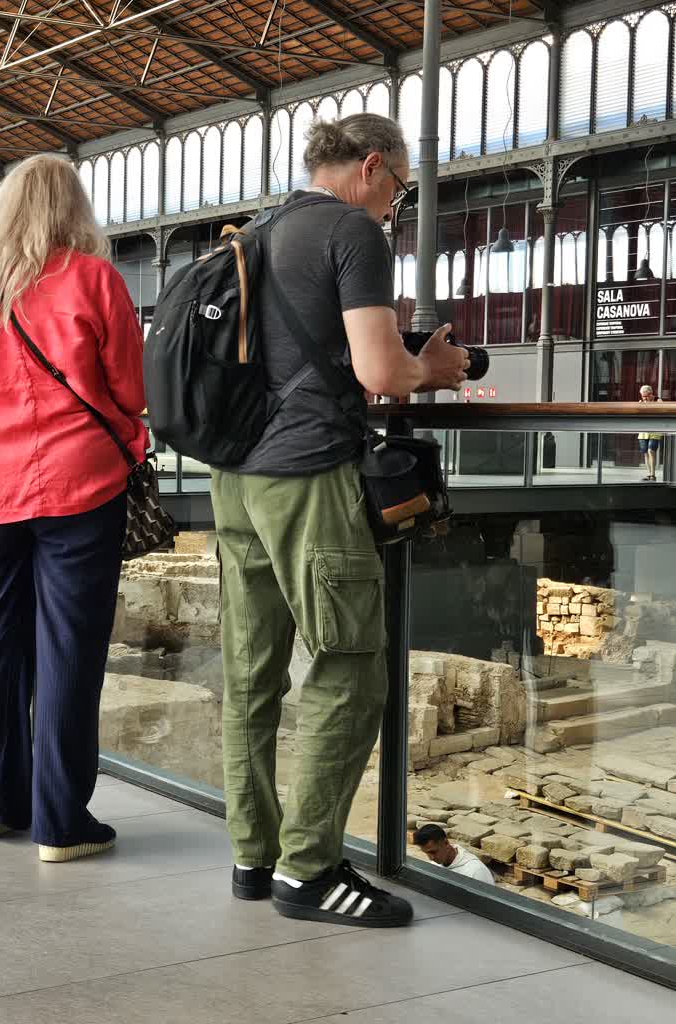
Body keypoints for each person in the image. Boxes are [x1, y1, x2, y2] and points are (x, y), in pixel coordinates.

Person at [211, 114, 469, 927]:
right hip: (305, 474)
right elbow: (380, 370)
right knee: (349, 666)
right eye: (399, 188)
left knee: (251, 671)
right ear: (370, 166)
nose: (394, 205)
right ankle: (309, 870)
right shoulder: (351, 232)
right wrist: (434, 367)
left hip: (235, 477)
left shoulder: (256, 231)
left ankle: (253, 856)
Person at [0, 155, 144, 862]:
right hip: (82, 486)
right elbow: (131, 390)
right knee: (68, 649)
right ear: (73, 209)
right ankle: (60, 822)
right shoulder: (94, 278)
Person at [413, 825, 496, 885]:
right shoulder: (433, 865)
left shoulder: (476, 872)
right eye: (426, 853)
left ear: (446, 843)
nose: (431, 858)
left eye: (433, 852)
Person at [638, 385, 662, 481]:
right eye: (643, 396)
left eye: (646, 396)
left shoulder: (658, 401)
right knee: (645, 452)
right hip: (643, 430)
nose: (644, 398)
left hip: (655, 429)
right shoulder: (641, 402)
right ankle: (648, 474)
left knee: (651, 450)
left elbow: (661, 411)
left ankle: (653, 474)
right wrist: (640, 406)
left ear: (651, 394)